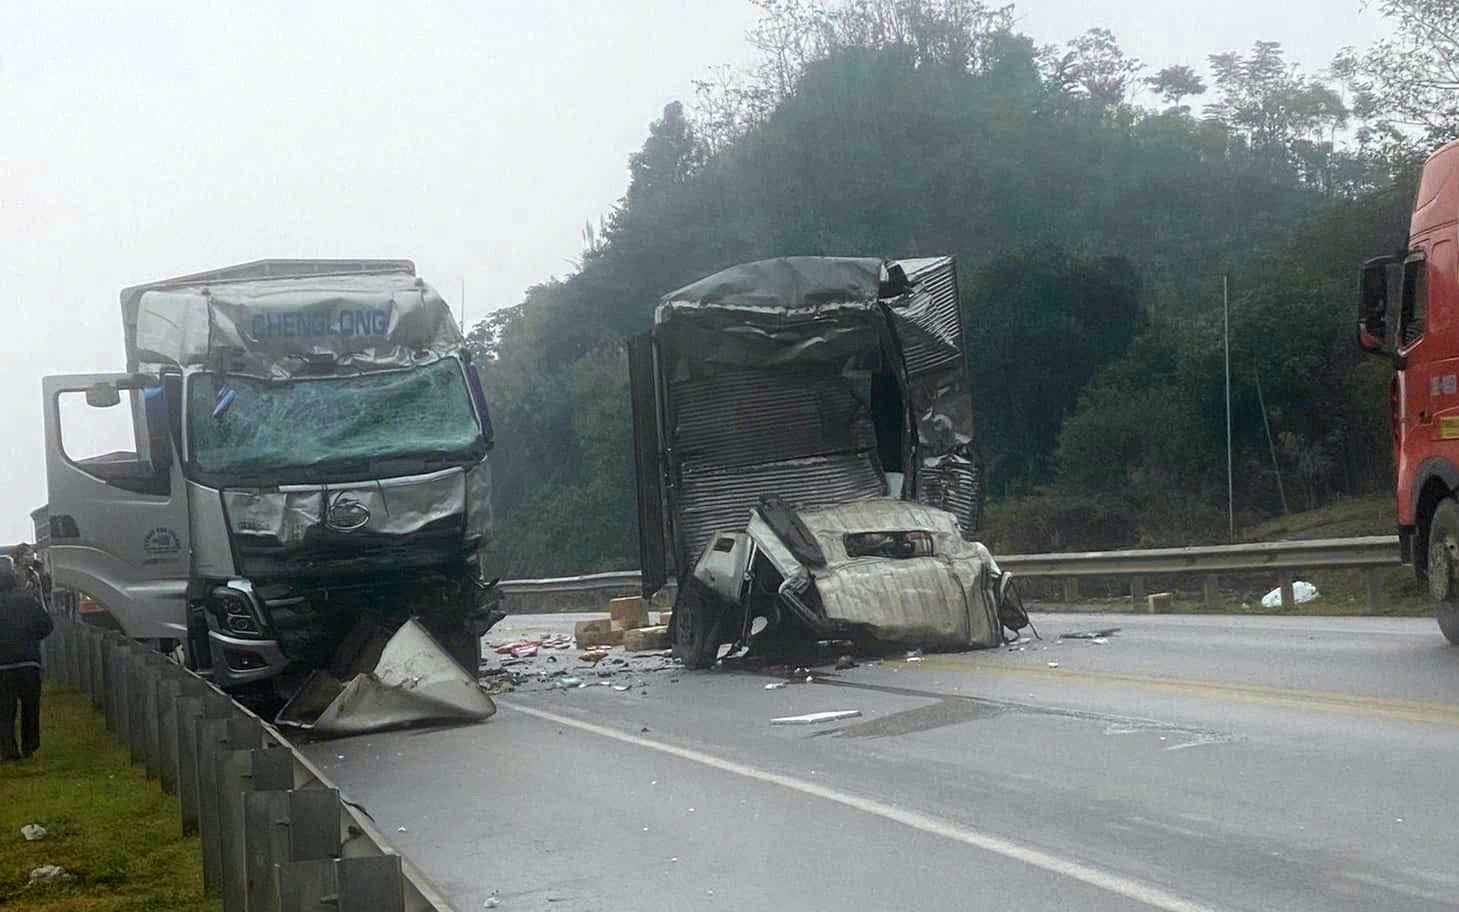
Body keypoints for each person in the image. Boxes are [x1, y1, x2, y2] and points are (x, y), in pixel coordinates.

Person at [0, 555, 53, 760]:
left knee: (5, 710)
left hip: (2, 667)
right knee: (30, 706)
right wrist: (32, 640)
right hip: (29, 663)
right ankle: (30, 745)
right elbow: (47, 626)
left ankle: (8, 750)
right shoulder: (28, 602)